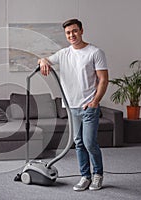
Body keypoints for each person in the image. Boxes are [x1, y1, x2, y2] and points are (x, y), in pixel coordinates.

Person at [38, 19, 109, 191]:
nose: (72, 35)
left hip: (89, 106)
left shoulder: (95, 52)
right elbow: (45, 59)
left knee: (89, 142)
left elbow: (103, 80)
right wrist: (42, 61)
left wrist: (95, 102)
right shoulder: (63, 54)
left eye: (74, 31)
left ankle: (97, 175)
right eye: (68, 33)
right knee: (78, 143)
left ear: (82, 31)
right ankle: (85, 177)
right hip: (71, 107)